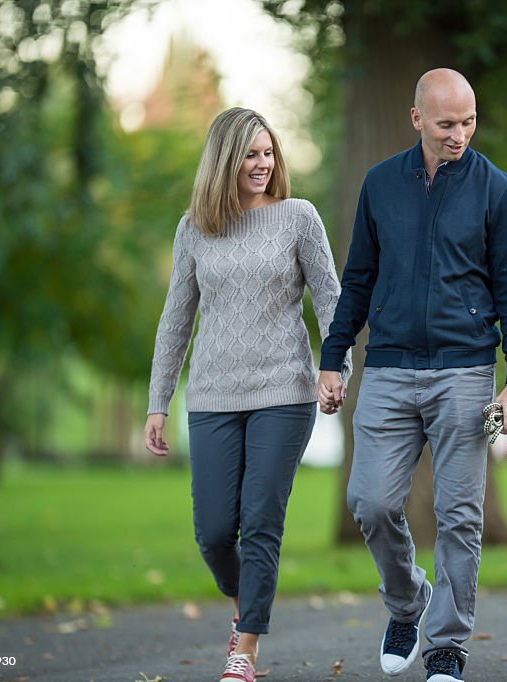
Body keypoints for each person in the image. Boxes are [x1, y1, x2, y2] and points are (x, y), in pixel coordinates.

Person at [316, 68, 507, 682]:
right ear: (417, 119)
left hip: (465, 370)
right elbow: (357, 276)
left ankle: (446, 646)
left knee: (459, 514)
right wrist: (333, 356)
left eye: (468, 122)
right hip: (386, 367)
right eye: (446, 124)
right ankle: (408, 602)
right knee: (370, 502)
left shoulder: (498, 191)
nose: (459, 135)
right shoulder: (381, 183)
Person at [144, 107, 350, 682]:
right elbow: (175, 321)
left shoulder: (298, 218)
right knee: (213, 532)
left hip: (284, 391)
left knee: (260, 521)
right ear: (223, 162)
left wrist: (336, 370)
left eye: (269, 154)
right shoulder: (194, 228)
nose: (263, 165)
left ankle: (246, 647)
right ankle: (247, 600)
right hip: (211, 395)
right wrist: (158, 401)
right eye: (250, 156)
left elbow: (333, 302)